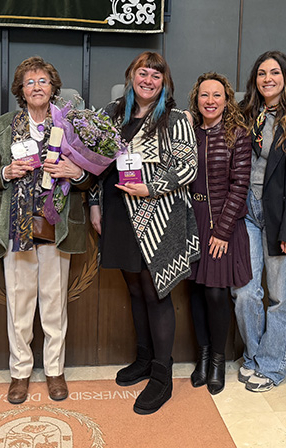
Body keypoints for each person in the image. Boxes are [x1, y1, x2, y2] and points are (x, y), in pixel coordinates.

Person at [88, 51, 198, 414]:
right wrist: (94, 204)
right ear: (131, 75)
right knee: (134, 288)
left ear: (165, 82)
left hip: (158, 215)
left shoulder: (177, 118)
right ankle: (144, 358)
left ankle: (162, 377)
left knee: (156, 292)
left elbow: (188, 167)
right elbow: (96, 164)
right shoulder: (111, 114)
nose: (148, 79)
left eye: (156, 74)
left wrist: (150, 187)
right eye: (142, 72)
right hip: (118, 212)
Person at [0, 56, 91, 405]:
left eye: (43, 81)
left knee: (54, 303)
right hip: (16, 227)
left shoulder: (72, 127)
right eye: (30, 82)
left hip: (56, 229)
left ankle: (55, 370)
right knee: (19, 302)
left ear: (54, 88)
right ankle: (20, 373)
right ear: (20, 90)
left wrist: (74, 173)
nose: (37, 87)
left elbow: (91, 177)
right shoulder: (0, 127)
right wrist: (5, 173)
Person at [233, 50, 286, 393]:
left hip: (281, 215)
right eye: (262, 73)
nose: (268, 78)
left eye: (275, 72)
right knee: (245, 292)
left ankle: (272, 366)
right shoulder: (245, 115)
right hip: (246, 211)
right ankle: (254, 356)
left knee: (280, 296)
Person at [184, 72, 251, 395]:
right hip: (190, 220)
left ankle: (219, 360)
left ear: (227, 100)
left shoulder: (238, 134)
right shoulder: (189, 133)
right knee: (195, 292)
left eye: (217, 95)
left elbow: (241, 186)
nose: (210, 101)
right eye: (204, 95)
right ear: (196, 100)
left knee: (215, 293)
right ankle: (203, 356)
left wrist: (223, 231)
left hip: (221, 222)